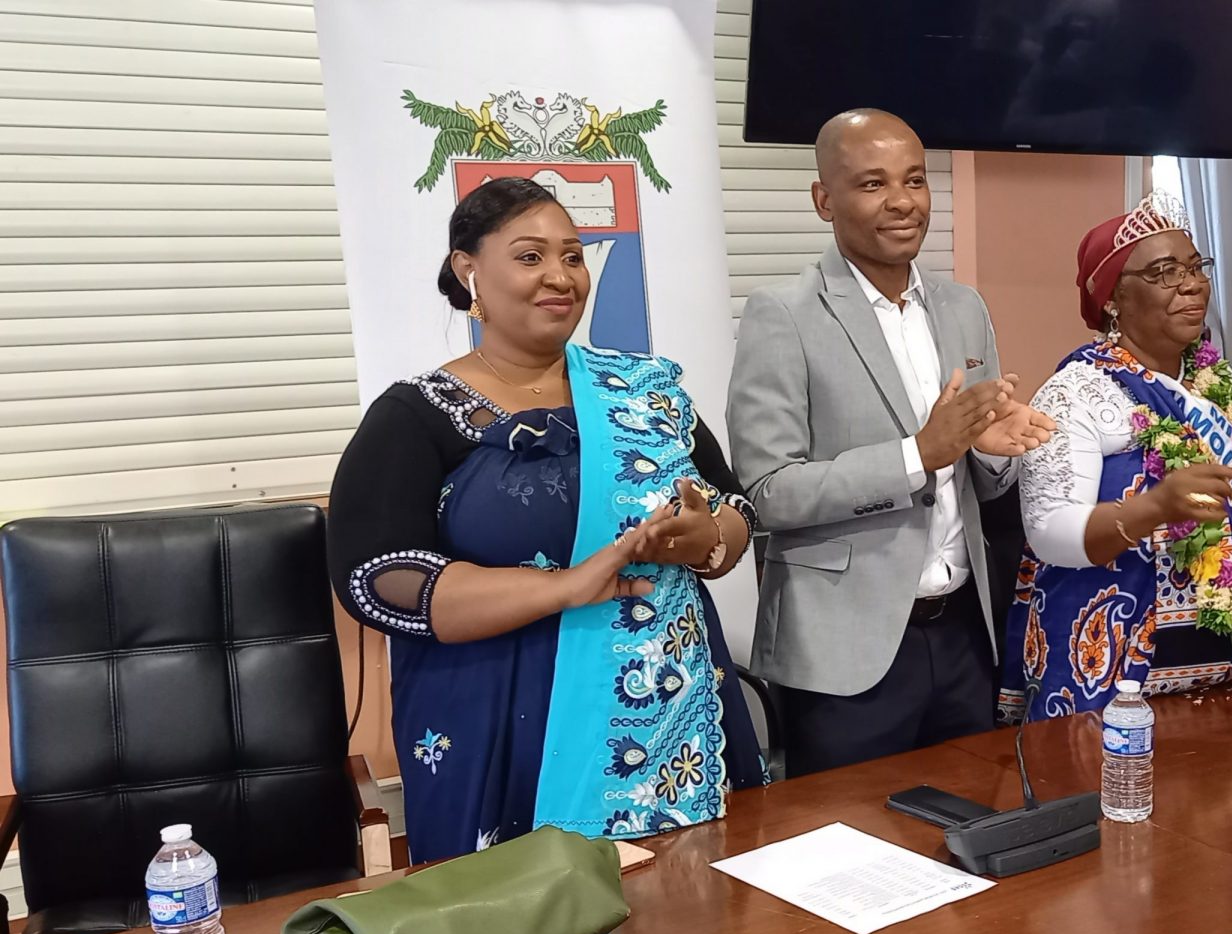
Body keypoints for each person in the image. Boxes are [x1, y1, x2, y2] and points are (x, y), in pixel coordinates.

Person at [328, 177, 766, 860]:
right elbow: (377, 578)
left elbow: (735, 506)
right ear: (468, 269)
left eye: (572, 256)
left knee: (699, 902)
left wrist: (708, 537)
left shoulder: (644, 389)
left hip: (672, 716)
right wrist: (563, 587)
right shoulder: (416, 414)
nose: (561, 277)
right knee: (535, 914)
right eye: (530, 257)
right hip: (505, 725)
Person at [726, 109, 1055, 776]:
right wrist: (917, 455)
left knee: (973, 823)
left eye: (915, 179)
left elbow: (978, 472)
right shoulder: (782, 314)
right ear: (824, 200)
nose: (903, 201)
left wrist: (990, 449)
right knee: (850, 837)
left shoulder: (964, 307)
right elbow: (768, 492)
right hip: (844, 651)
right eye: (873, 184)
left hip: (964, 635)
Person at [999, 192, 1232, 721]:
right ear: (1113, 298)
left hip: (1218, 663)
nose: (1192, 284)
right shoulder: (1075, 393)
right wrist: (1155, 507)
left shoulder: (1211, 384)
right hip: (1107, 672)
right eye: (1164, 272)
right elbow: (1050, 534)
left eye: (1196, 267)